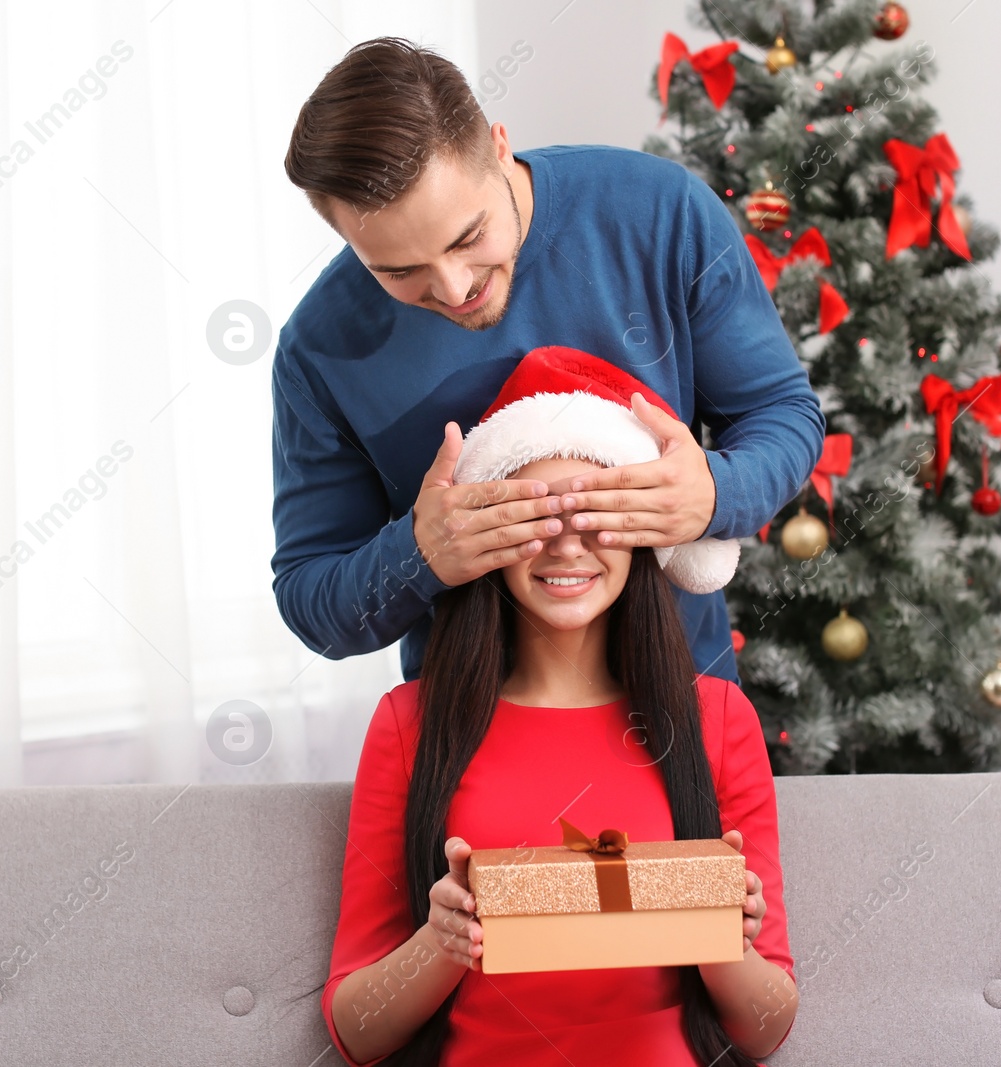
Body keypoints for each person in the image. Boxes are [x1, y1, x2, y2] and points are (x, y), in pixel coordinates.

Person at [272, 36, 826, 686]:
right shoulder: (320, 345)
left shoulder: (660, 212)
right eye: (399, 270)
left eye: (469, 237)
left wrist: (714, 492)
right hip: (469, 738)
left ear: (499, 147)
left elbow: (784, 413)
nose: (454, 288)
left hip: (681, 707)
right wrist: (421, 554)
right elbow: (313, 600)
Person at [320, 350, 798, 1066]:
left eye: (595, 514)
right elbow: (356, 1032)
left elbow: (766, 1027)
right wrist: (441, 943)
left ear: (641, 532)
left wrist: (722, 938)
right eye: (535, 517)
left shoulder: (719, 720)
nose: (566, 545)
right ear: (489, 535)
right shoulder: (408, 725)